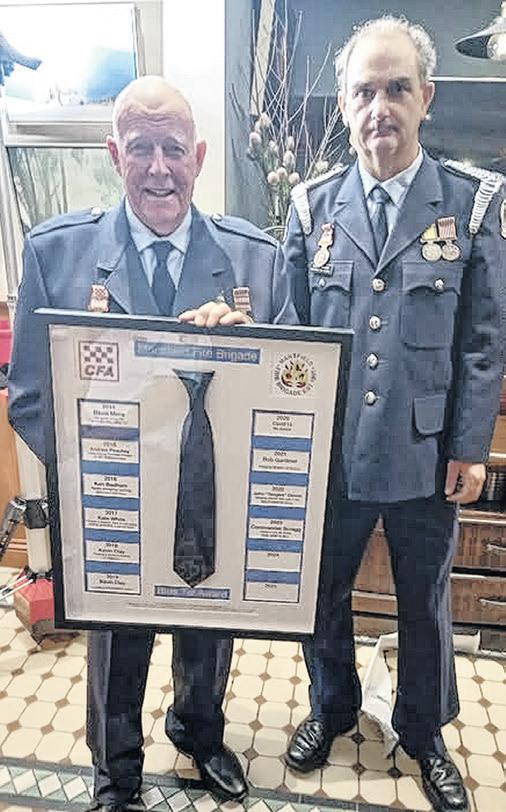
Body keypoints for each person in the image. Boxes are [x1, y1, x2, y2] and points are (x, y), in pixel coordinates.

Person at [8, 75, 297, 811]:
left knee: (209, 626)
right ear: (115, 155)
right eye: (141, 148)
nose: (159, 168)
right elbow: (31, 394)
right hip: (111, 498)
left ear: (198, 156)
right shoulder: (57, 254)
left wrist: (250, 359)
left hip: (210, 493)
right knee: (116, 641)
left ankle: (198, 732)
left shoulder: (256, 262)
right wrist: (95, 473)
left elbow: (294, 393)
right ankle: (117, 772)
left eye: (174, 149)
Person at [279, 16, 504, 812]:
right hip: (334, 454)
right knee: (322, 593)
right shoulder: (310, 208)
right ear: (345, 105)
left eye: (397, 89)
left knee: (423, 602)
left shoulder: (472, 205)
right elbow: (290, 340)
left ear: (426, 98)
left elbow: (483, 339)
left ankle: (424, 732)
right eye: (365, 91)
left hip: (426, 451)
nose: (381, 107)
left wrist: (470, 447)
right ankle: (332, 707)